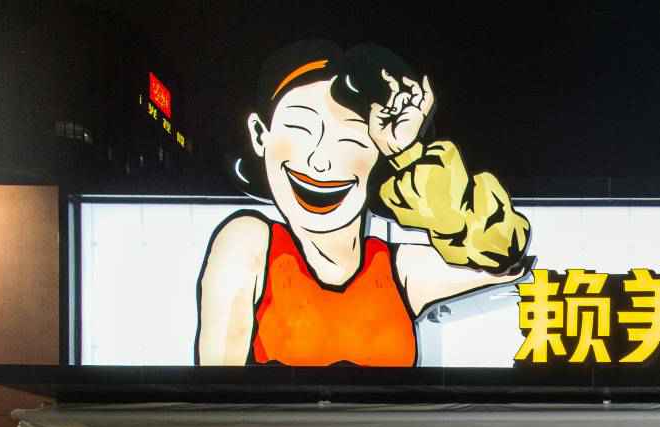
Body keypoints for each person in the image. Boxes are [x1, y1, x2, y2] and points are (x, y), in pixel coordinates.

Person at [196, 41, 531, 366]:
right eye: (300, 128)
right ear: (260, 134)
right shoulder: (248, 242)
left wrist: (409, 153)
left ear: (380, 156)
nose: (320, 163)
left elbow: (502, 258)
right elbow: (217, 390)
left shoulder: (397, 269)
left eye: (351, 139)